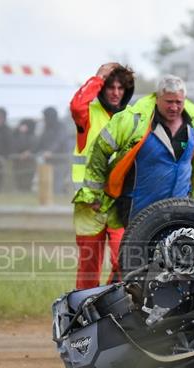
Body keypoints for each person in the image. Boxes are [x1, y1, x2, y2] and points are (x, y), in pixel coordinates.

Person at [84, 74, 194, 231]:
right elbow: (99, 151)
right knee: (139, 254)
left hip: (181, 207)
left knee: (177, 253)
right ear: (157, 99)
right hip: (139, 208)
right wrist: (94, 192)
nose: (174, 107)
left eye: (178, 102)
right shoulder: (132, 119)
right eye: (169, 102)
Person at [70, 63, 135, 289]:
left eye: (121, 88)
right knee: (89, 267)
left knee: (124, 260)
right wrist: (98, 77)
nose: (116, 93)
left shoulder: (131, 117)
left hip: (120, 202)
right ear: (102, 89)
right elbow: (77, 105)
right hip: (90, 204)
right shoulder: (88, 114)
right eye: (110, 87)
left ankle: (108, 303)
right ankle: (83, 314)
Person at [36, 106, 71, 193]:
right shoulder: (46, 127)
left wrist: (50, 151)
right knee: (49, 183)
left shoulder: (60, 127)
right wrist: (34, 151)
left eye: (45, 116)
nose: (44, 118)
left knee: (57, 183)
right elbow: (41, 141)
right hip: (49, 161)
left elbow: (59, 140)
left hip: (60, 160)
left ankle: (58, 200)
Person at [10, 118, 37, 192]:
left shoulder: (32, 136)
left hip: (29, 163)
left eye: (24, 125)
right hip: (17, 163)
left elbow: (34, 148)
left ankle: (26, 193)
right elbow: (13, 146)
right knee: (18, 181)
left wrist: (28, 152)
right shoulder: (15, 135)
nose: (22, 127)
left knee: (27, 182)